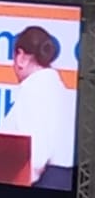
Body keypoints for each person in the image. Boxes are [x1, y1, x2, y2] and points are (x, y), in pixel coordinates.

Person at [6, 25, 75, 189]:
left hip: (45, 184)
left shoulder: (33, 90)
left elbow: (36, 155)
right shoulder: (57, 87)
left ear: (21, 57)